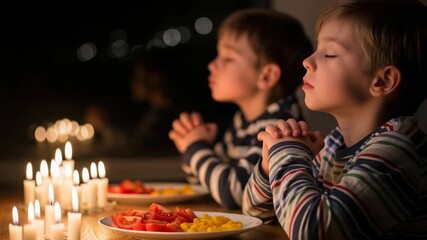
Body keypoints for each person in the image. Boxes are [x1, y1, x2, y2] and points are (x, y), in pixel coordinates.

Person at [242, 0, 427, 239]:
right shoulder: (335, 144)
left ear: (382, 81)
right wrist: (270, 167)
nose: (307, 61)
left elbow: (312, 230)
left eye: (329, 54)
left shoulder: (396, 152)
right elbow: (256, 213)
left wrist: (288, 154)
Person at [168, 8, 313, 209]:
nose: (212, 65)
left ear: (267, 76)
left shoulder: (279, 127)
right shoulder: (244, 121)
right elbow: (205, 182)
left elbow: (234, 193)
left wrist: (196, 148)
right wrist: (191, 143)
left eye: (227, 58)